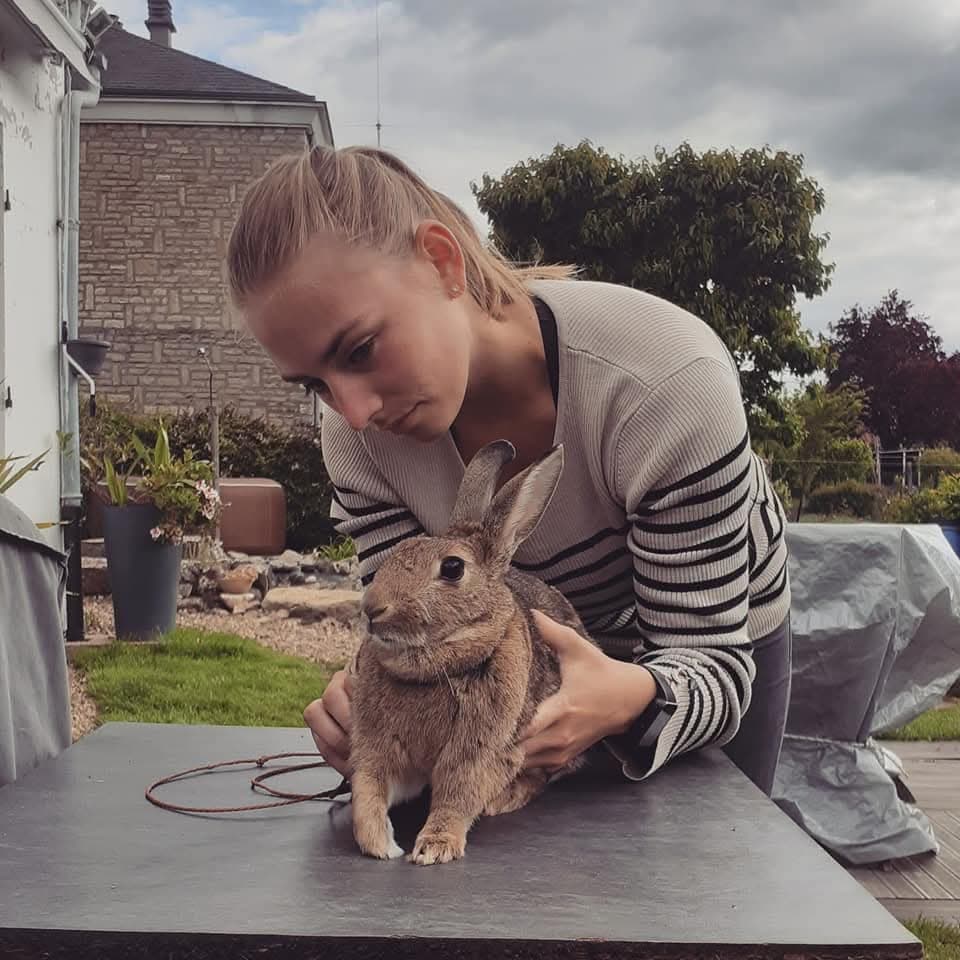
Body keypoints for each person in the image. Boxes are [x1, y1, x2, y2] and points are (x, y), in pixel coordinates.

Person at [226, 145, 793, 798]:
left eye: (359, 349)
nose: (353, 413)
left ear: (441, 262)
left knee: (710, 868)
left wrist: (630, 698)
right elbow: (417, 634)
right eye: (315, 386)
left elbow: (714, 668)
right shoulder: (360, 445)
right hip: (516, 666)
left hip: (706, 651)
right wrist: (374, 700)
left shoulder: (665, 382)